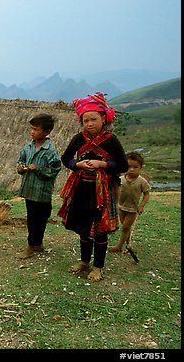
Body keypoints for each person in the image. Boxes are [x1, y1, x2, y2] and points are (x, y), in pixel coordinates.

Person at [58, 92, 128, 282]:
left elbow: (123, 165)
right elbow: (66, 158)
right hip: (81, 188)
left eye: (94, 119)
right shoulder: (78, 139)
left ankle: (98, 267)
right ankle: (84, 261)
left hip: (102, 192)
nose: (89, 123)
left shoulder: (111, 140)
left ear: (103, 118)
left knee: (99, 230)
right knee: (83, 227)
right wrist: (77, 165)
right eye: (86, 120)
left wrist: (103, 165)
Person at [16, 113, 62, 259]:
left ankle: (38, 243)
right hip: (30, 190)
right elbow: (20, 162)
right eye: (31, 129)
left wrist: (38, 169)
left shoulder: (50, 151)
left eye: (36, 129)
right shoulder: (28, 147)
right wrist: (21, 168)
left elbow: (55, 169)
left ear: (47, 132)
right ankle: (31, 245)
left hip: (42, 192)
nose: (32, 132)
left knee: (42, 217)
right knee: (32, 218)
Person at [108, 151, 151, 254]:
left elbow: (147, 194)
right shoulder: (121, 179)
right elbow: (115, 190)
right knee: (126, 228)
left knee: (125, 228)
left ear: (140, 168)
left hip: (132, 210)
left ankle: (118, 246)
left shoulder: (142, 181)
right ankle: (128, 245)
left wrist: (141, 206)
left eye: (135, 167)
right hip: (121, 208)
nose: (131, 169)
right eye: (129, 166)